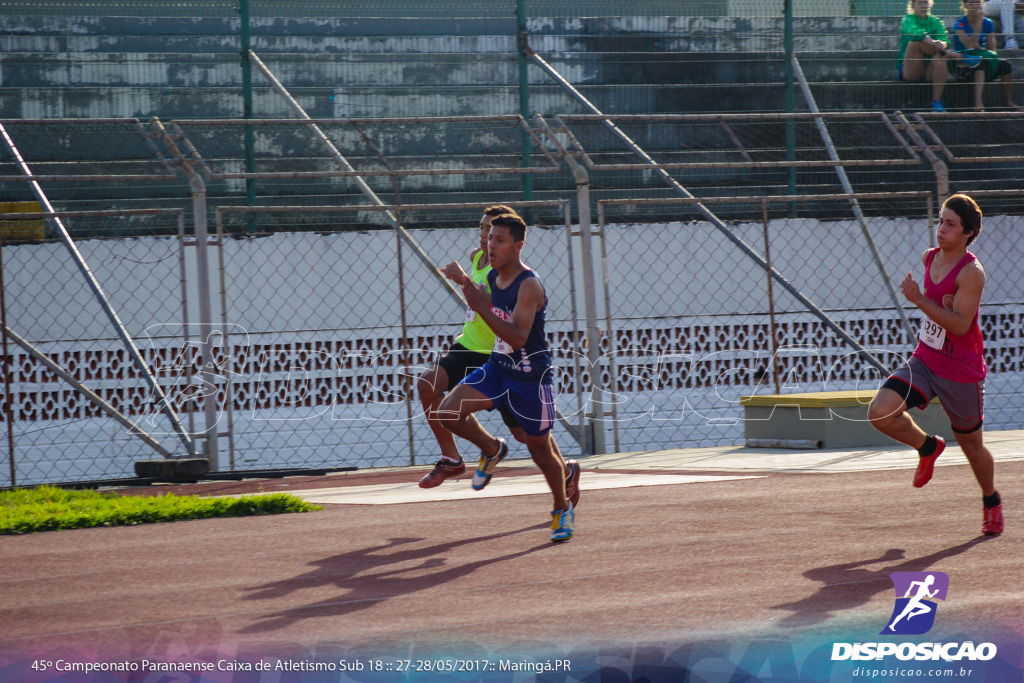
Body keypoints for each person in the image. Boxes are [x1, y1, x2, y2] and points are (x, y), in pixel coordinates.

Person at [416, 207, 581, 507]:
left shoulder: (527, 284)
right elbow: (483, 302)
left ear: (517, 244)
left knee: (533, 443)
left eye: (495, 236)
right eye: (485, 233)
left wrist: (467, 287)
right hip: (490, 361)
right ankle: (471, 453)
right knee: (439, 398)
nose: (487, 240)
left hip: (527, 372)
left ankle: (563, 488)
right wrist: (470, 288)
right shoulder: (486, 266)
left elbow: (512, 330)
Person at [867, 194, 1002, 536]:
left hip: (961, 372)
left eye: (950, 224)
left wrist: (918, 299)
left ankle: (991, 500)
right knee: (879, 411)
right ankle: (928, 446)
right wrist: (922, 300)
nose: (941, 229)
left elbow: (959, 324)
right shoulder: (930, 258)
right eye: (940, 221)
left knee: (972, 446)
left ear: (968, 233)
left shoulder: (972, 273)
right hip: (925, 359)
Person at [951, 0, 1023, 110]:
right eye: (971, 3)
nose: (975, 6)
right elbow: (969, 46)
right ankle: (978, 102)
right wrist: (979, 24)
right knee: (980, 62)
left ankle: (1008, 102)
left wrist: (983, 50)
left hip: (982, 57)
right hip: (962, 63)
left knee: (1005, 65)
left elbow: (992, 49)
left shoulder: (988, 23)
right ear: (965, 5)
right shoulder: (959, 24)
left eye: (977, 3)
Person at [898, 0, 965, 111]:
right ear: (913, 5)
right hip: (911, 70)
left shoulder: (935, 21)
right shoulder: (907, 19)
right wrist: (933, 43)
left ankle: (936, 102)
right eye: (920, 3)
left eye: (925, 3)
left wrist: (941, 44)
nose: (923, 6)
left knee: (940, 56)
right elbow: (915, 33)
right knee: (915, 44)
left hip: (930, 70)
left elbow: (944, 39)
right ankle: (955, 56)